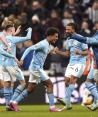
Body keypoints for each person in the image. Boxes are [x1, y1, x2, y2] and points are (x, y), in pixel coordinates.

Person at [9, 27, 62, 112]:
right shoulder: (42, 44)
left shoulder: (47, 45)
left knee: (30, 89)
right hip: (36, 68)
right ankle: (52, 107)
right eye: (55, 36)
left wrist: (51, 52)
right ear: (50, 36)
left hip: (36, 68)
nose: (57, 38)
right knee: (49, 84)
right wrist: (22, 59)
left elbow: (43, 53)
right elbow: (29, 48)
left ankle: (14, 102)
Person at [54, 23, 88, 110]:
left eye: (68, 29)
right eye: (66, 29)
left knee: (72, 79)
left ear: (73, 30)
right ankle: (68, 105)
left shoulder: (81, 39)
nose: (66, 31)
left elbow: (87, 52)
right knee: (66, 81)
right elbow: (67, 54)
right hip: (71, 63)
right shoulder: (68, 40)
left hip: (80, 63)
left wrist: (80, 52)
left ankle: (65, 99)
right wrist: (58, 52)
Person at [1, 21, 32, 111]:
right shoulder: (12, 39)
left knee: (7, 83)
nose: (15, 29)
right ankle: (12, 102)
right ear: (11, 29)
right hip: (11, 65)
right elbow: (28, 37)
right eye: (13, 28)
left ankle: (7, 106)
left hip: (3, 64)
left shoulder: (3, 39)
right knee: (23, 83)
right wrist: (30, 29)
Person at [67, 28, 98, 111]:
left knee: (90, 83)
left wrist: (74, 35)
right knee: (89, 83)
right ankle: (95, 103)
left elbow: (85, 40)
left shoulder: (96, 37)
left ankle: (96, 102)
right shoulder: (95, 35)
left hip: (96, 65)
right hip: (95, 65)